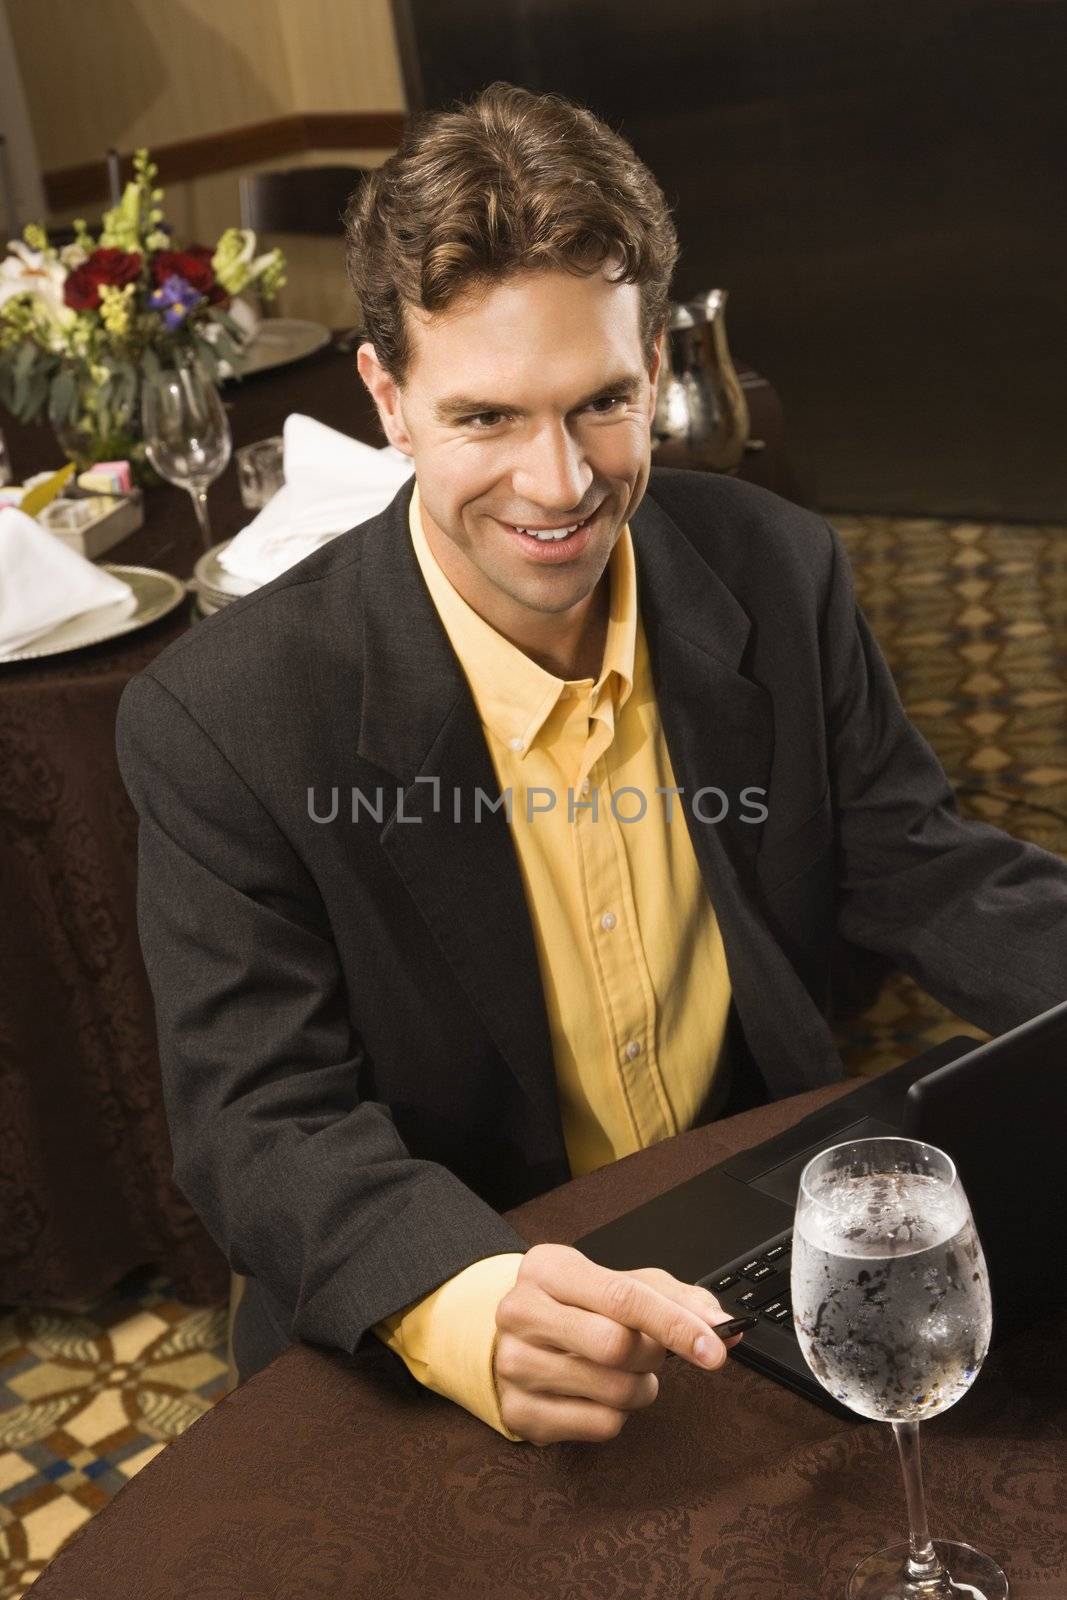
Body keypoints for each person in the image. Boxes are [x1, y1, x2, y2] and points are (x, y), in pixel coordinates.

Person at [115, 81, 1067, 1447]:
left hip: (745, 1244)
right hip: (447, 1298)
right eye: (487, 418)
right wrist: (460, 1298)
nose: (559, 485)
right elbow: (260, 1121)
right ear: (388, 397)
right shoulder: (222, 721)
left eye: (603, 402)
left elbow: (921, 861)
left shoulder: (776, 569)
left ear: (657, 368)